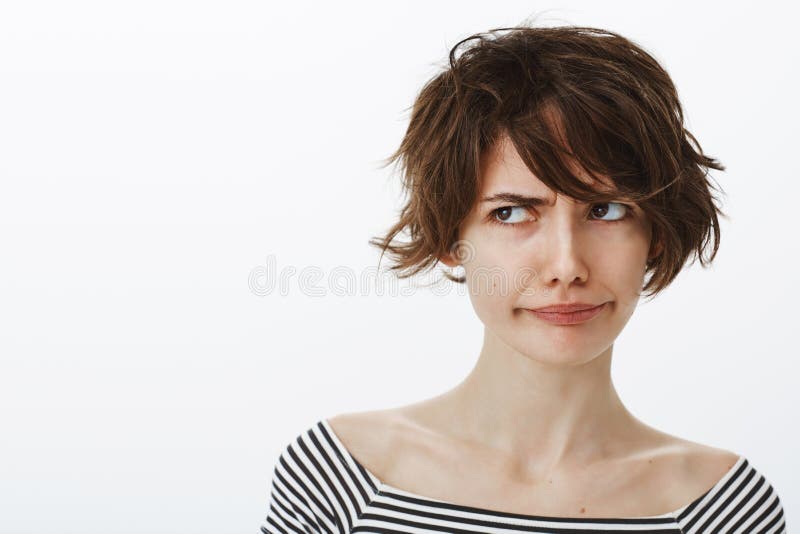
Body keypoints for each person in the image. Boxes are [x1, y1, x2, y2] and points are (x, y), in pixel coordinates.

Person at [260, 24, 788, 533]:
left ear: (655, 233)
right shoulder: (343, 478)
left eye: (605, 210)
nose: (566, 267)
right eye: (512, 213)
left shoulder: (718, 509)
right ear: (450, 236)